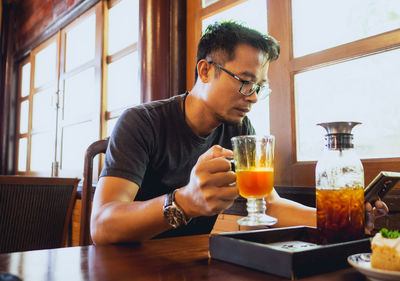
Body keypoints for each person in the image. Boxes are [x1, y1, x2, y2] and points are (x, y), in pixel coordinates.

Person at [90, 21, 388, 245]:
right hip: (127, 263)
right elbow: (102, 227)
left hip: (190, 260)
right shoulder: (142, 122)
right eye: (245, 81)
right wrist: (183, 201)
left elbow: (267, 202)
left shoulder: (239, 128)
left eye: (259, 86)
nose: (254, 96)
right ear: (205, 71)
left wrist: (340, 220)